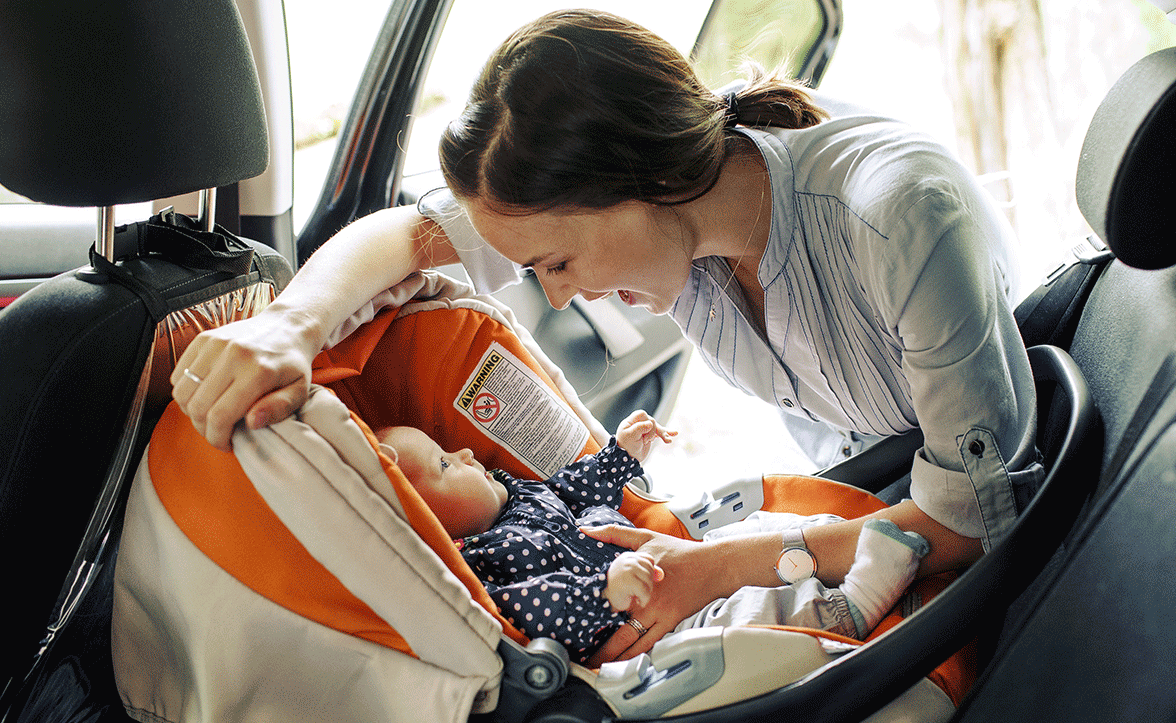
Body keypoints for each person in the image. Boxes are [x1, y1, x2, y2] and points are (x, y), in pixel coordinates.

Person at [171, 9, 1040, 664]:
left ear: (641, 178)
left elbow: (971, 521)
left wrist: (723, 565)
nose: (550, 296)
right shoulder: (679, 220)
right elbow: (401, 240)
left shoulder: (897, 218)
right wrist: (288, 327)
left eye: (555, 261)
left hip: (972, 548)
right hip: (864, 502)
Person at [374, 411, 928, 664]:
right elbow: (529, 609)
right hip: (642, 625)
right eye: (446, 465)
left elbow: (573, 487)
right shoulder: (483, 562)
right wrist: (604, 591)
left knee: (764, 529)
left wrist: (620, 454)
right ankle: (851, 606)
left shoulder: (523, 497)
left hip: (666, 560)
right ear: (432, 530)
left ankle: (834, 547)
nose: (467, 453)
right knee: (741, 621)